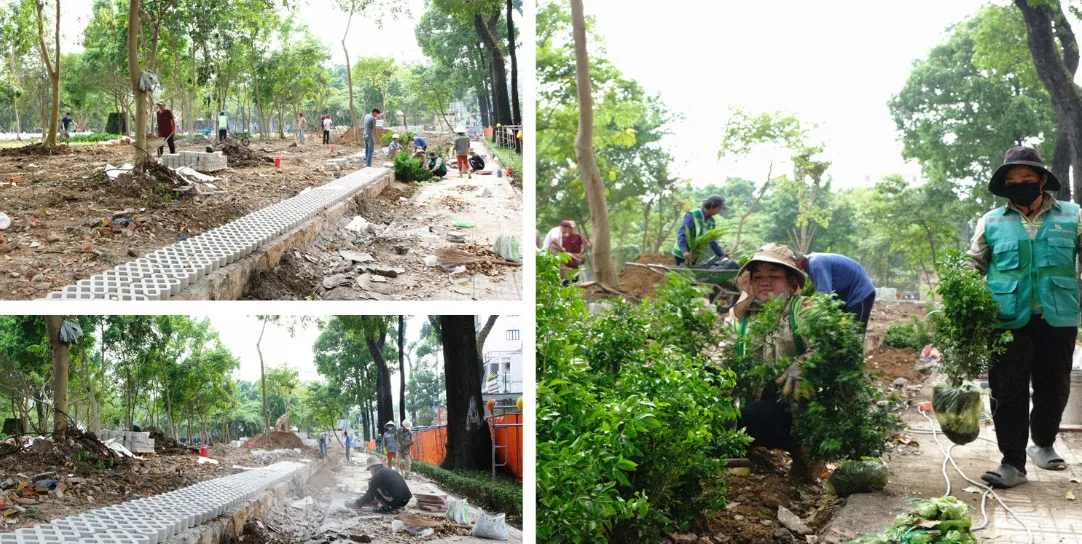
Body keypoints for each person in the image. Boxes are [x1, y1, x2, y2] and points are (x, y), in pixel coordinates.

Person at [963, 146, 1078, 488]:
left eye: (1026, 179)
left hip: (1057, 316)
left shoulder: (1073, 216)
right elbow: (973, 264)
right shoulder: (992, 221)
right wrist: (963, 298)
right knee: (1007, 390)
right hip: (1006, 319)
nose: (1019, 185)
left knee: (1053, 388)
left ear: (1042, 180)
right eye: (1012, 181)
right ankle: (1012, 462)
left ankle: (1042, 443)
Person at [729, 243, 820, 482]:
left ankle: (805, 454)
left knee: (755, 416)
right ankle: (750, 458)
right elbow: (723, 356)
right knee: (738, 418)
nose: (765, 282)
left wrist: (803, 363)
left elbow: (831, 345)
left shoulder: (805, 310)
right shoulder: (742, 317)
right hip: (762, 401)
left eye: (774, 275)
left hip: (804, 405)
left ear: (791, 283)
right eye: (758, 276)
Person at [791, 251, 877, 336]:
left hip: (860, 293)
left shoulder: (815, 263)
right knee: (843, 332)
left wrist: (811, 312)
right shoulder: (811, 264)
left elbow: (824, 295)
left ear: (797, 260)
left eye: (792, 265)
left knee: (854, 335)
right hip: (848, 297)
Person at [673, 195, 728, 266]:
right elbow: (682, 233)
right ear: (712, 205)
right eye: (719, 208)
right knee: (681, 274)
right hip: (682, 253)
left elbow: (712, 240)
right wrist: (685, 251)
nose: (719, 211)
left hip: (695, 255)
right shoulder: (693, 215)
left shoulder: (711, 221)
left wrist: (721, 254)